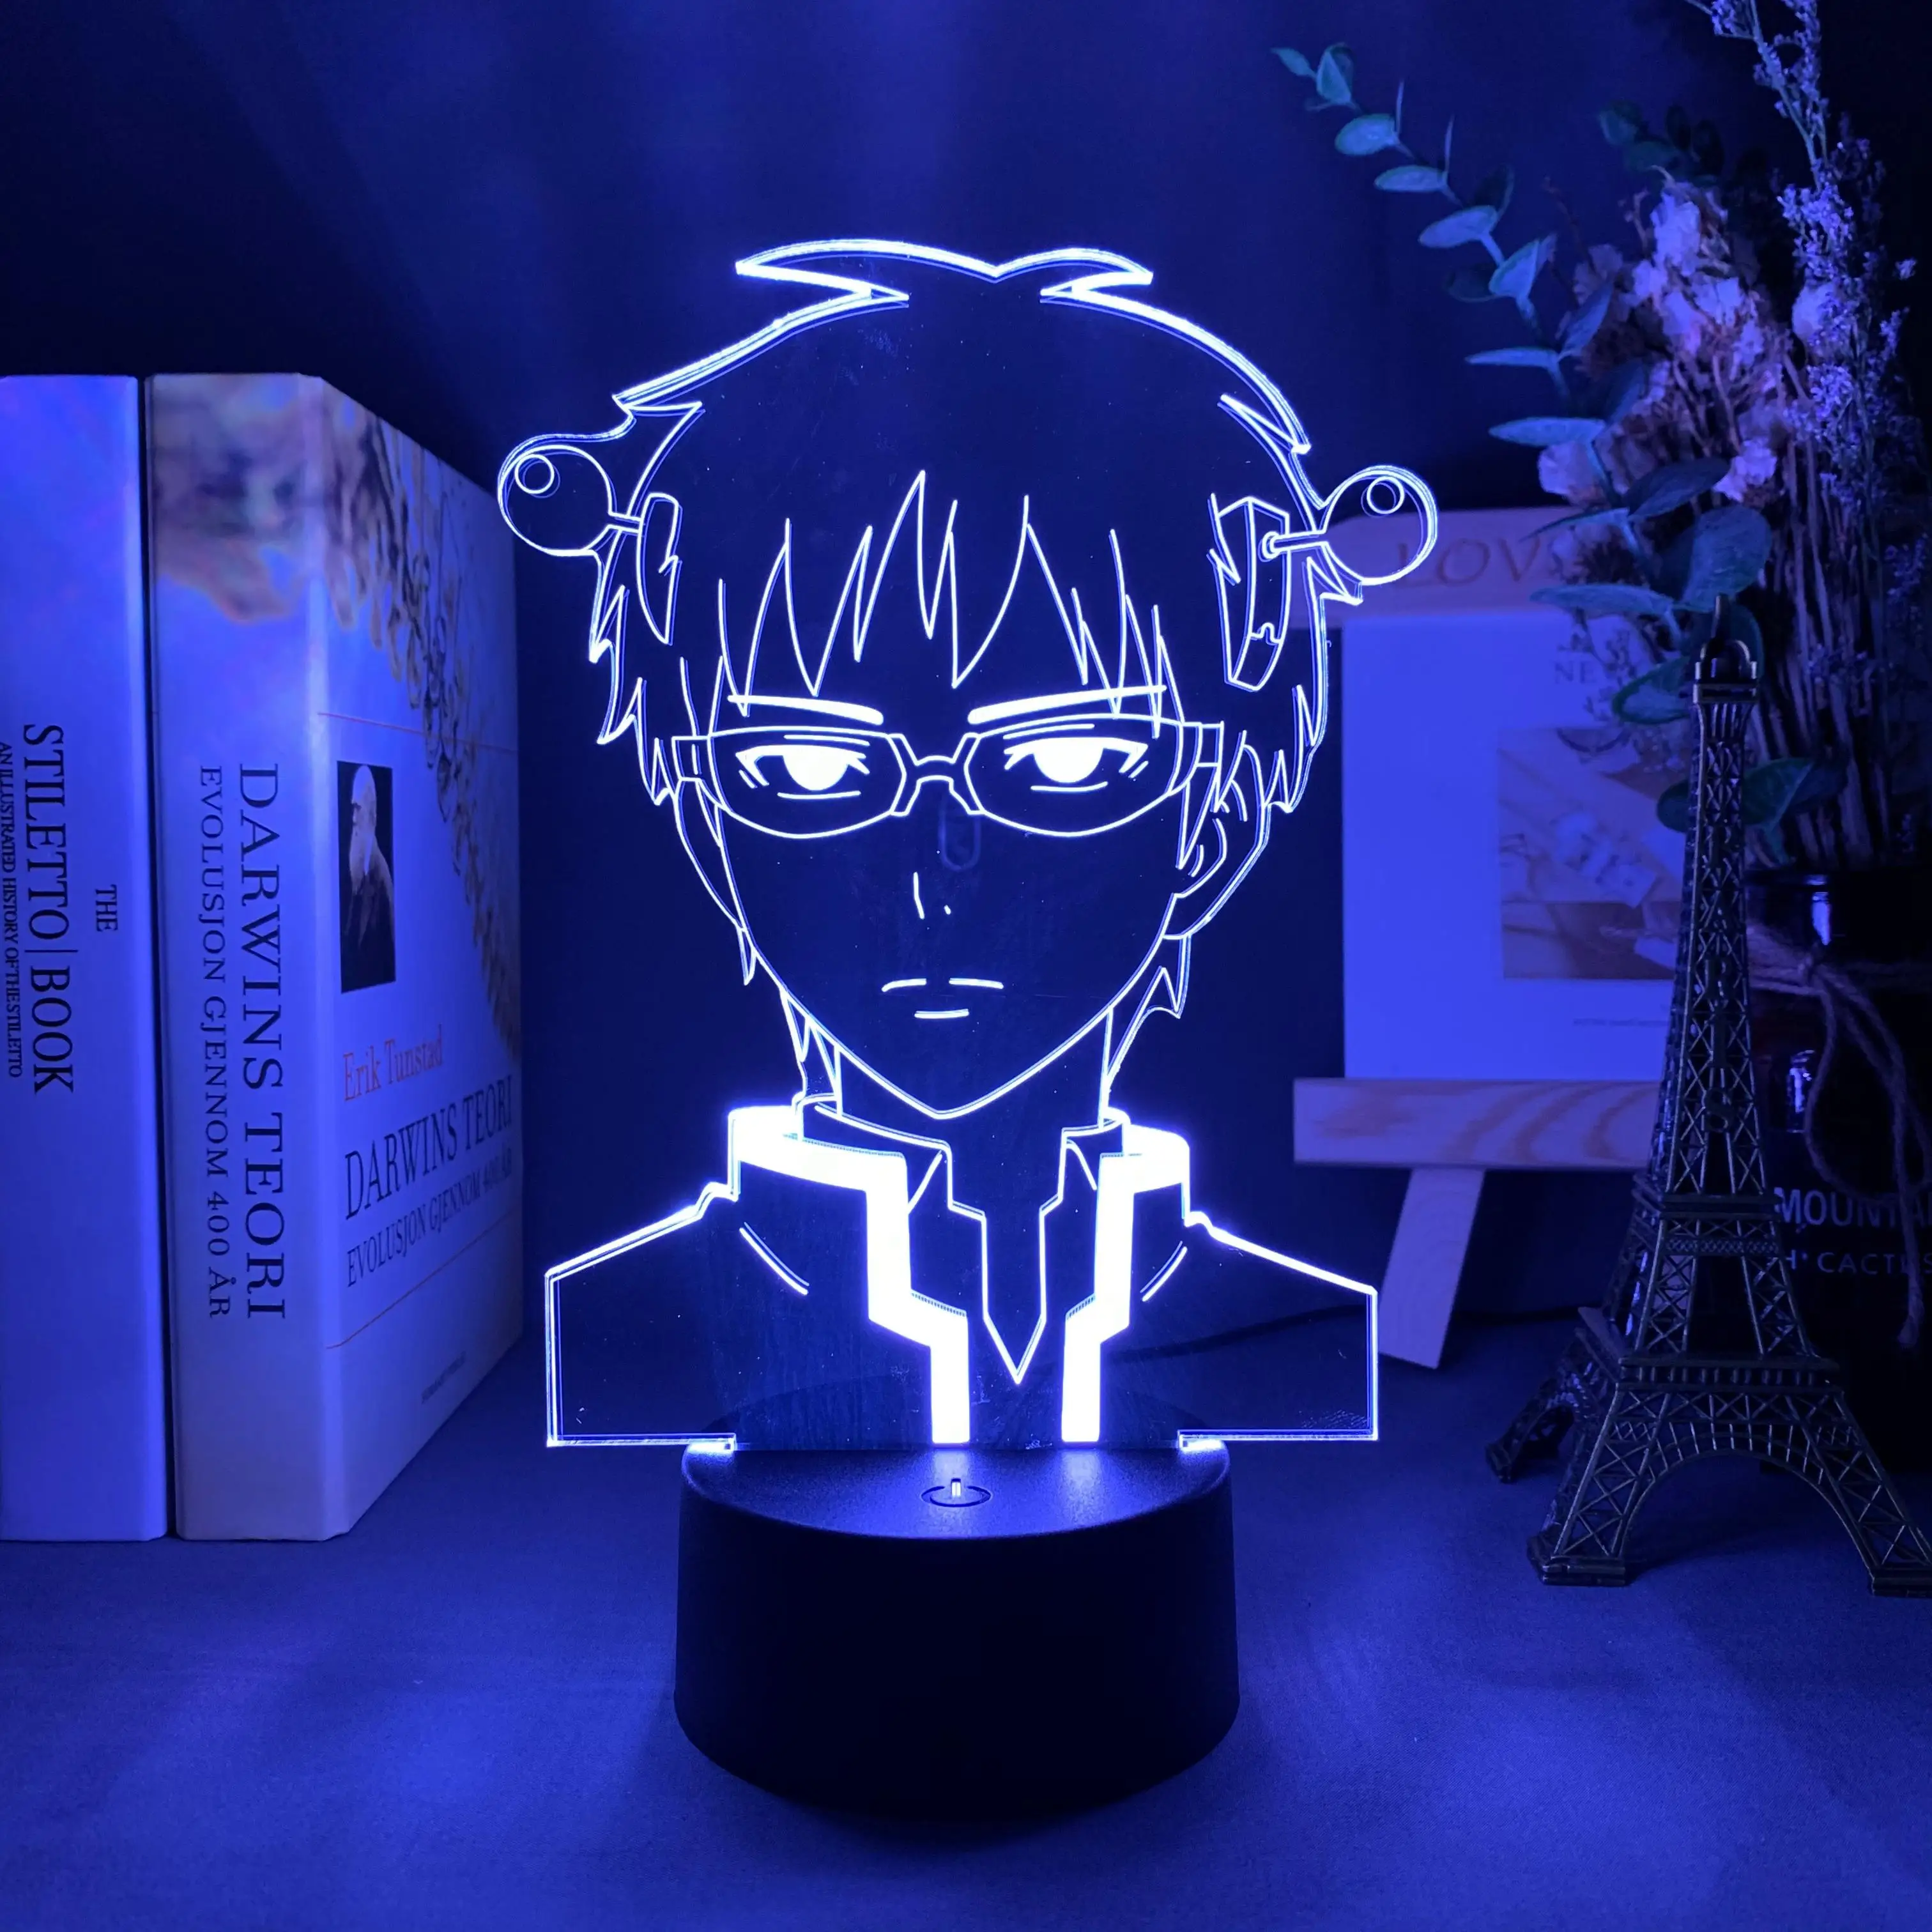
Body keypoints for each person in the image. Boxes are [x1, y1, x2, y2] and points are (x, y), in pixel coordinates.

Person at [500, 243, 1434, 1448]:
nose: (938, 866)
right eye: (809, 769)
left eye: (1068, 764)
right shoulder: (626, 1333)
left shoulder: (1282, 1335)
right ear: (702, 817)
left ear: (1219, 813)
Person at [341, 763, 395, 989]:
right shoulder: (354, 876)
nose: (354, 819)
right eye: (352, 808)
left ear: (371, 814)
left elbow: (390, 964)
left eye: (358, 809)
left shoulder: (382, 879)